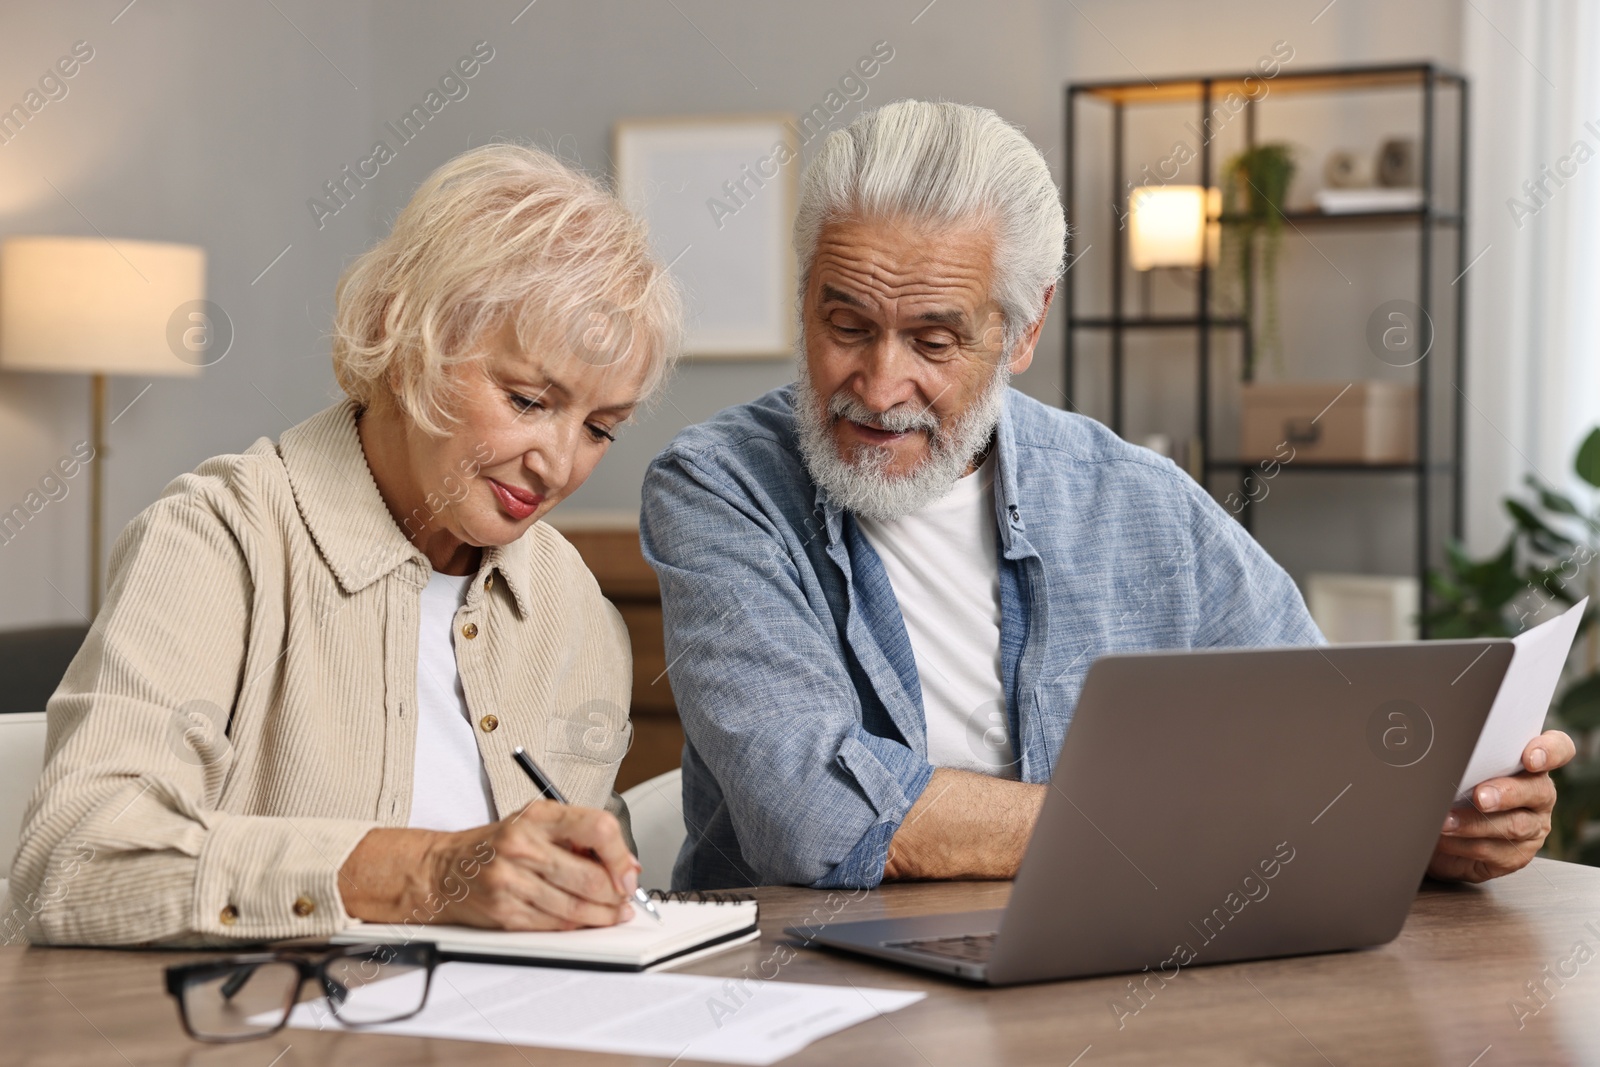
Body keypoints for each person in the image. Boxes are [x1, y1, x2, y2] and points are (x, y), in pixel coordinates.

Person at [640, 99, 1574, 891]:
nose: (879, 387)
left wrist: (1436, 826)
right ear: (806, 296)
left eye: (933, 342)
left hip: (1096, 959)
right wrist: (1196, 828)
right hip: (799, 990)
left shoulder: (1137, 499)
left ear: (1023, 328)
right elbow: (813, 814)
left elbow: (1319, 744)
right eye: (845, 325)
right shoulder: (720, 488)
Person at [6, 143, 682, 946]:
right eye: (529, 398)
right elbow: (74, 861)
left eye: (601, 427)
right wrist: (425, 873)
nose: (560, 464)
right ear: (401, 339)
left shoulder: (573, 607)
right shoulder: (216, 541)